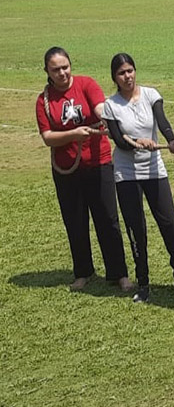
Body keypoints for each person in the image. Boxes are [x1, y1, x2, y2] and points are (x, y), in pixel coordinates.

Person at [102, 53, 174, 303]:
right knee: (137, 229)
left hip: (154, 170)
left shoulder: (150, 95)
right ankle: (143, 282)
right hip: (127, 175)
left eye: (130, 71)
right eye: (122, 73)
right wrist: (138, 143)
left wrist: (171, 140)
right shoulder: (110, 105)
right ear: (115, 77)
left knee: (168, 223)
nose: (128, 76)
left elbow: (162, 121)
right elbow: (118, 139)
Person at [35, 47, 133, 293]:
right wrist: (73, 135)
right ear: (47, 71)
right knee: (75, 222)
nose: (62, 73)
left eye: (65, 67)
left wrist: (108, 122)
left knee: (107, 220)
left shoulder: (86, 84)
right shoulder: (43, 100)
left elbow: (100, 109)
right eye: (56, 69)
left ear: (71, 65)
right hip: (67, 170)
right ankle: (83, 272)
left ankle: (118, 273)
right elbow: (48, 137)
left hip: (98, 164)